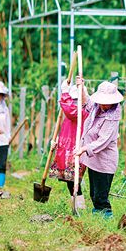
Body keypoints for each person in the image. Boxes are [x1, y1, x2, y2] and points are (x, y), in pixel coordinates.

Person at [74, 81, 123, 218]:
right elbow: (87, 102)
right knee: (94, 194)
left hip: (105, 162)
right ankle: (97, 219)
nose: (104, 105)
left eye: (107, 102)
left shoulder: (112, 118)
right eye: (102, 101)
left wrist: (84, 148)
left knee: (101, 196)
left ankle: (106, 219)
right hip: (93, 160)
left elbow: (103, 141)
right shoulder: (97, 108)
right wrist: (81, 87)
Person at [49, 79, 89, 210]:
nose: (74, 103)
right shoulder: (71, 112)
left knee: (74, 180)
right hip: (66, 148)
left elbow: (71, 110)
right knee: (69, 180)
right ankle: (76, 206)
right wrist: (56, 142)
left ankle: (80, 207)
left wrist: (65, 92)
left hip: (75, 149)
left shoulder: (81, 112)